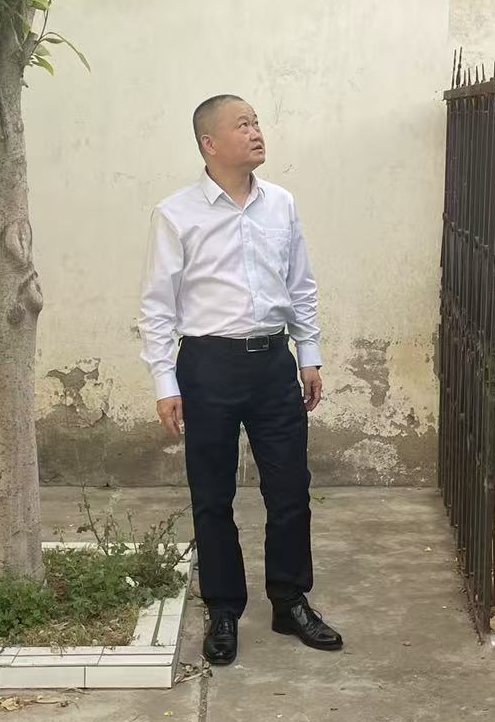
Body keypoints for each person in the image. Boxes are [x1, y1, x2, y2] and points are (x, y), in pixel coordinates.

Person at [139, 95, 343, 666]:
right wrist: (165, 381)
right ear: (209, 143)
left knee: (290, 488)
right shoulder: (175, 214)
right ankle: (223, 608)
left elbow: (300, 284)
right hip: (207, 366)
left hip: (273, 363)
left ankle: (290, 601)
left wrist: (308, 354)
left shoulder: (281, 204)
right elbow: (157, 304)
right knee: (212, 494)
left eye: (256, 122)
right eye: (243, 124)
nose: (256, 132)